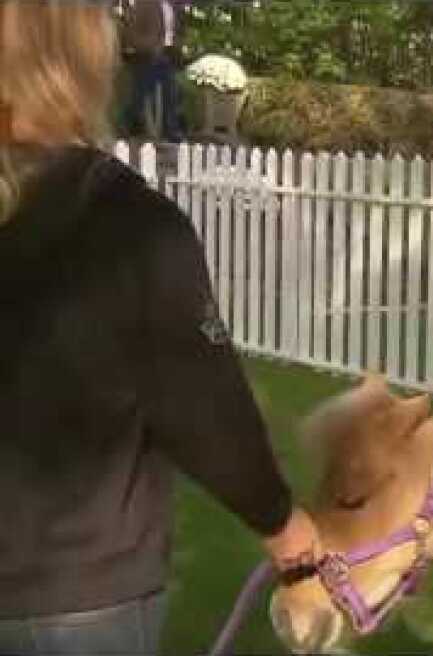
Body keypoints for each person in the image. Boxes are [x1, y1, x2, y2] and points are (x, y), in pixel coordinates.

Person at [0, 4, 318, 654]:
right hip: (75, 597)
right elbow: (205, 410)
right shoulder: (128, 224)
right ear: (82, 56)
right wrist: (287, 532)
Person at [122, 0, 183, 142]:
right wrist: (148, 46)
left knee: (170, 93)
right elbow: (131, 31)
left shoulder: (173, 6)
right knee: (140, 95)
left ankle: (171, 131)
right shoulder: (144, 4)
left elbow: (175, 31)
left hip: (167, 54)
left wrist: (177, 46)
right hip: (147, 56)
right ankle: (126, 126)